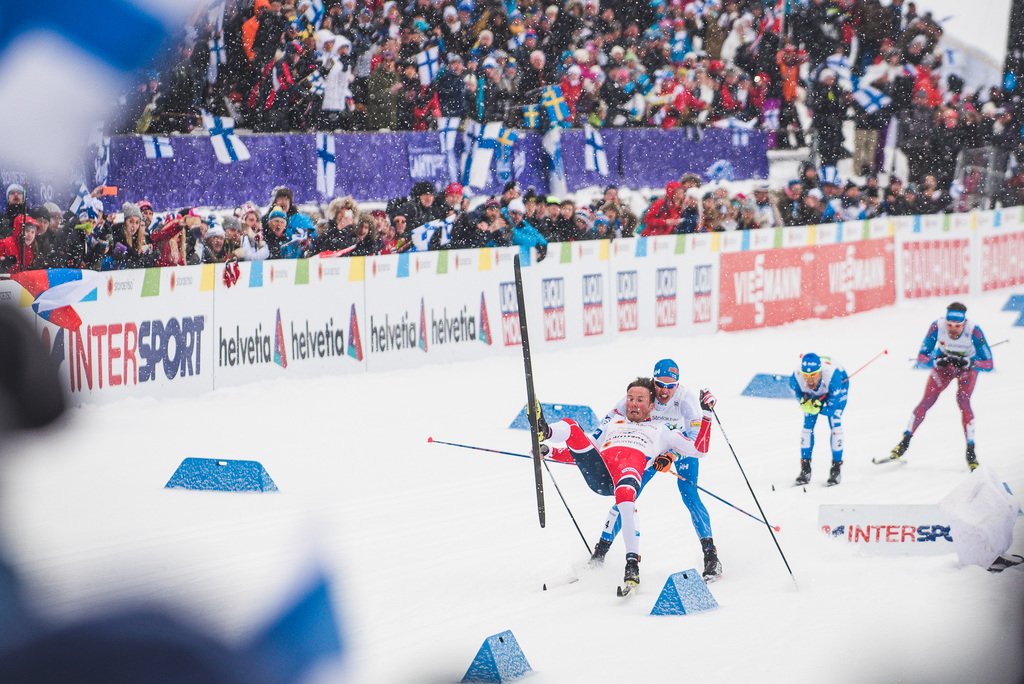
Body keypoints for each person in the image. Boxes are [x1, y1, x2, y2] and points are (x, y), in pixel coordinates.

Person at [539, 378, 716, 591]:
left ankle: (632, 565)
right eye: (631, 398)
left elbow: (699, 450)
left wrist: (706, 415)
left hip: (625, 476)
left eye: (640, 399)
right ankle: (545, 430)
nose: (633, 403)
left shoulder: (663, 428)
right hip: (600, 473)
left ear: (651, 406)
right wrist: (551, 451)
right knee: (570, 425)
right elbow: (584, 451)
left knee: (629, 495)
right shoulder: (614, 422)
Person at [586, 359, 723, 581]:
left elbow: (696, 445)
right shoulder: (643, 393)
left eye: (671, 386)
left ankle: (711, 555)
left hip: (679, 446)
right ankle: (599, 553)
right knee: (628, 495)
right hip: (651, 446)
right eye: (660, 384)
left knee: (689, 493)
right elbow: (607, 423)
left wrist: (671, 455)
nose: (664, 391)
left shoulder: (686, 399)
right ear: (653, 380)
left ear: (677, 384)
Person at [887, 302, 994, 469]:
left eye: (957, 326)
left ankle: (970, 451)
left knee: (963, 401)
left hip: (967, 369)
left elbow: (988, 363)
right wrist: (936, 360)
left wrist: (970, 362)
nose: (952, 329)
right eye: (950, 325)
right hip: (944, 367)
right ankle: (904, 442)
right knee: (927, 401)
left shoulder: (974, 330)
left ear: (964, 323)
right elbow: (922, 356)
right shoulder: (937, 326)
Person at [790, 353, 849, 486]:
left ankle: (836, 468)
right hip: (818, 391)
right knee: (807, 426)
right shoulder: (795, 378)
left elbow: (831, 410)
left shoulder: (834, 378)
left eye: (813, 375)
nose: (809, 380)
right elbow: (799, 395)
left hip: (838, 385)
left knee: (835, 423)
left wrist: (818, 407)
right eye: (806, 376)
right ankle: (805, 469)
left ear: (820, 371)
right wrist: (804, 402)